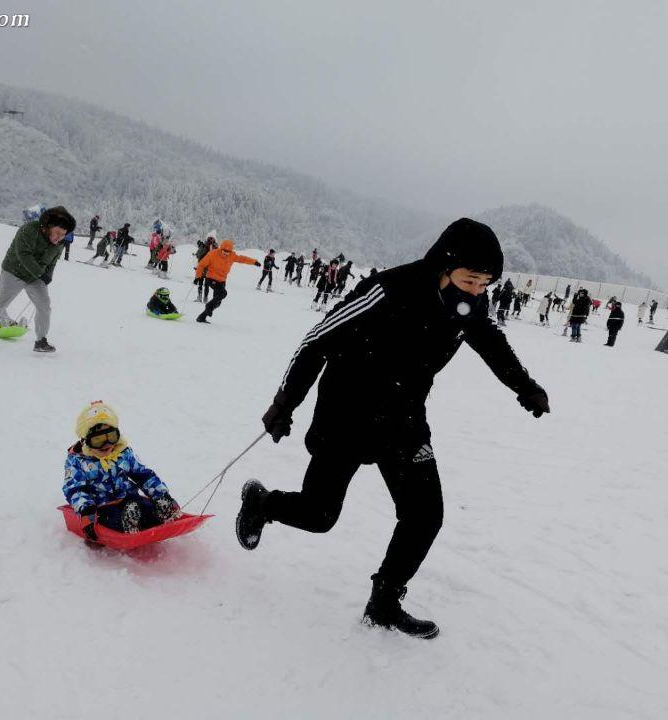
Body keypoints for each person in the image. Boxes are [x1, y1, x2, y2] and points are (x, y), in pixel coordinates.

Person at [235, 218, 550, 639]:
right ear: (445, 264)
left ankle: (383, 602)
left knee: (425, 515)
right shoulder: (388, 290)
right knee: (319, 515)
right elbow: (316, 341)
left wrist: (525, 387)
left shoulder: (470, 305)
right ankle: (261, 503)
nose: (477, 291)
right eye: (471, 279)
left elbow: (490, 341)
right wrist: (284, 403)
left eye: (485, 283)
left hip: (404, 422)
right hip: (346, 415)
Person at [63, 401, 180, 540]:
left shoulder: (122, 453)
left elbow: (143, 475)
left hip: (130, 499)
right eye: (98, 440)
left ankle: (160, 512)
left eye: (111, 437)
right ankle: (127, 522)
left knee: (147, 507)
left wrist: (161, 496)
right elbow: (75, 489)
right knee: (110, 519)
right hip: (101, 506)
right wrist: (87, 511)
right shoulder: (77, 462)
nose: (106, 445)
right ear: (84, 441)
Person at [0, 205, 75, 352]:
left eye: (63, 234)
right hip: (14, 271)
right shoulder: (30, 230)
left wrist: (48, 276)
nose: (60, 237)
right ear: (48, 226)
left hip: (35, 276)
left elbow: (53, 260)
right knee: (1, 302)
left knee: (44, 306)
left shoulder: (60, 243)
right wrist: (41, 273)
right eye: (58, 232)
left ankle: (41, 341)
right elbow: (24, 255)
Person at [194, 239, 260, 323]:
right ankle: (208, 306)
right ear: (221, 249)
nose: (226, 253)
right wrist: (198, 277)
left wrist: (254, 262)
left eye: (228, 252)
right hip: (211, 278)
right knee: (223, 293)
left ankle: (201, 317)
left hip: (222, 280)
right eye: (224, 251)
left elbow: (242, 259)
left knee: (217, 302)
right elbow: (202, 264)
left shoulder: (232, 256)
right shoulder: (213, 254)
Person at [194, 231, 217, 303]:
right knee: (201, 283)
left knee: (206, 284)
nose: (210, 240)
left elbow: (217, 258)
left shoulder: (215, 247)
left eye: (212, 239)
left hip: (209, 268)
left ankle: (205, 298)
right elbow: (198, 255)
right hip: (202, 267)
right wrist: (202, 247)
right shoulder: (203, 245)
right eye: (209, 238)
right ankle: (200, 297)